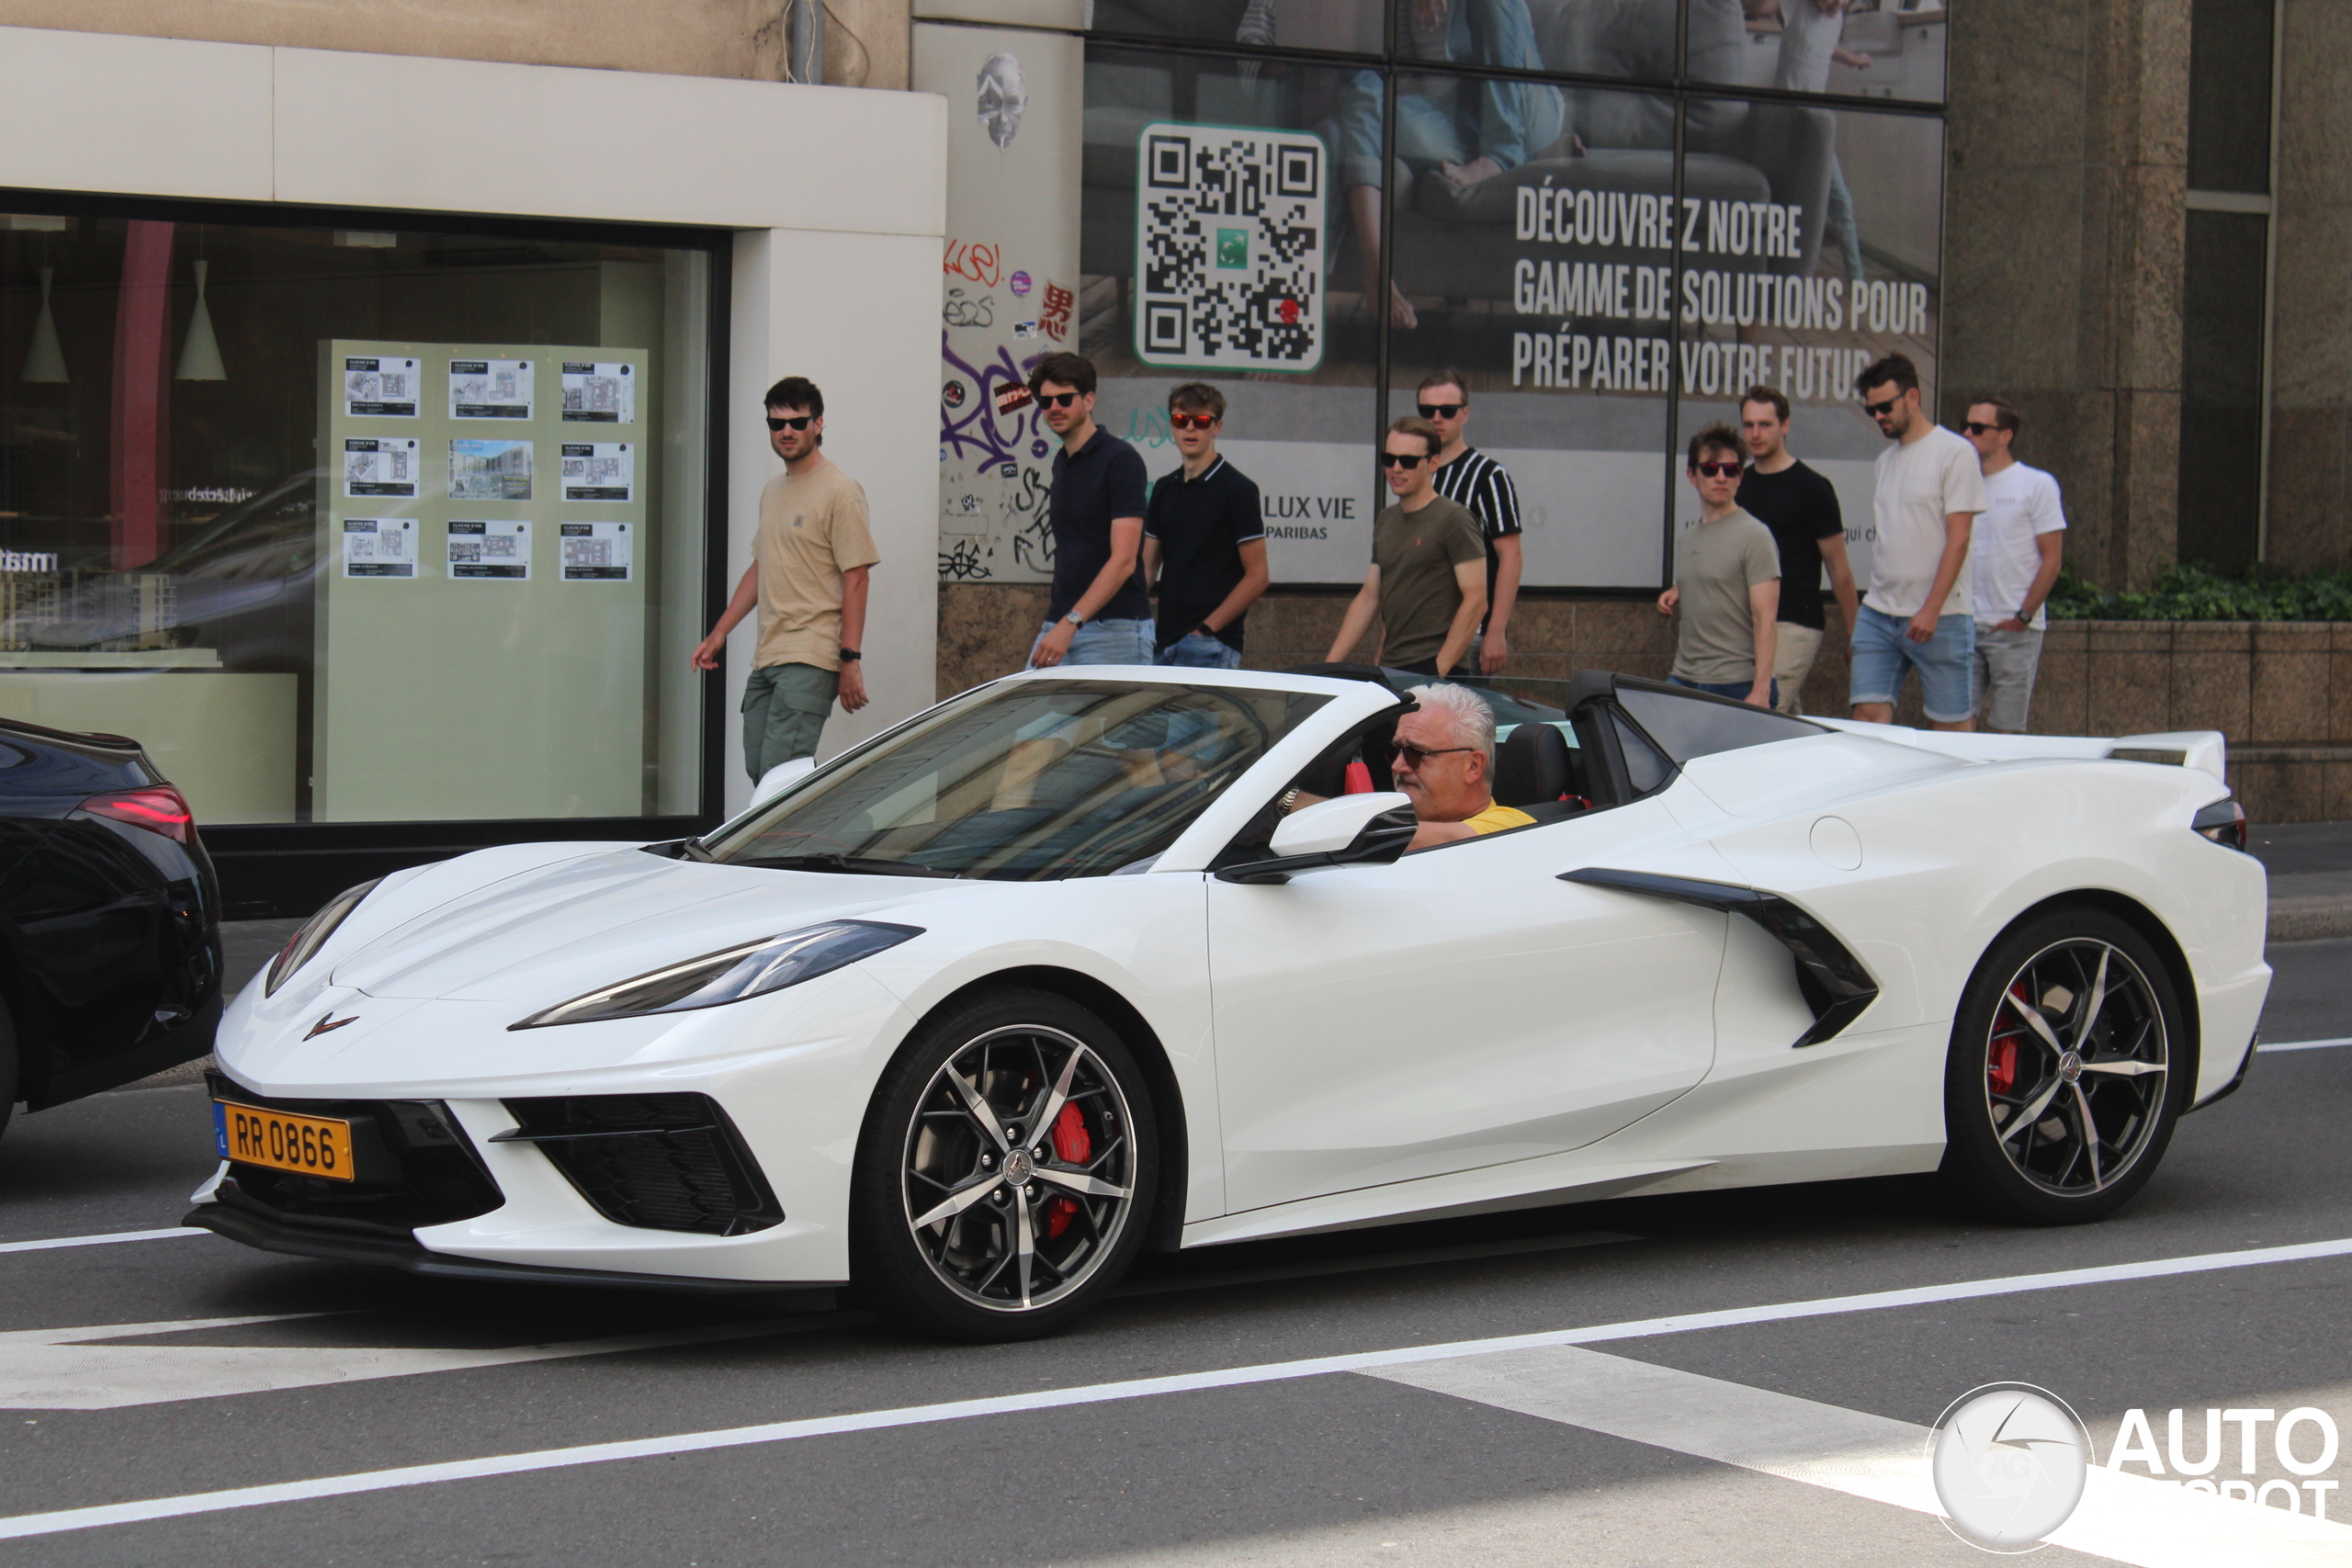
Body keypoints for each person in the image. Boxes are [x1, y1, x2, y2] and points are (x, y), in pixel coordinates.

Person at [1338, 1, 1566, 329]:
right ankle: (1376, 272)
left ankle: (1501, 155)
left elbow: (1510, 23)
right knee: (1348, 107)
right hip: (1452, 115)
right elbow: (1402, 73)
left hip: (1523, 106)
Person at [693, 375, 876, 780]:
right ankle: (832, 832)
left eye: (797, 421)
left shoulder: (840, 490)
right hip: (768, 654)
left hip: (811, 654)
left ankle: (822, 839)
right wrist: (719, 633)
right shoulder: (773, 491)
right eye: (777, 424)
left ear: (819, 424)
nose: (787, 431)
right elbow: (762, 567)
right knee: (761, 773)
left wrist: (850, 659)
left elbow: (857, 577)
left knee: (778, 780)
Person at [1849, 353, 1985, 731]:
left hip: (1940, 615)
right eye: (1871, 409)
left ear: (1912, 397)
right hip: (1878, 610)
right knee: (1866, 720)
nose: (1878, 416)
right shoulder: (1886, 460)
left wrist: (1931, 608)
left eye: (1884, 406)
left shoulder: (1955, 453)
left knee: (1951, 729)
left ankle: (1956, 794)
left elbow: (1959, 539)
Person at [1325, 417, 1487, 676]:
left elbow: (1477, 600)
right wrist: (1328, 666)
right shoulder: (1387, 519)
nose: (1396, 468)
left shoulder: (1454, 518)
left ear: (1433, 462)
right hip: (1393, 664)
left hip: (1436, 666)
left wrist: (1441, 667)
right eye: (1389, 459)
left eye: (1408, 461)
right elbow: (1370, 596)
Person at [1736, 384, 1859, 714]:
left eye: (1765, 424)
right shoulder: (1738, 484)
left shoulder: (1813, 488)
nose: (1756, 433)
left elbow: (1838, 568)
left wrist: (1855, 634)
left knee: (1762, 714)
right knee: (1782, 721)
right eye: (1749, 425)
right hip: (1750, 622)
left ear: (1785, 426)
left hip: (1795, 620)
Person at [1026, 353, 1152, 668]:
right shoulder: (1062, 462)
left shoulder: (1120, 459)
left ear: (1089, 400)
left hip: (1114, 629)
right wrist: (1063, 622)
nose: (1054, 408)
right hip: (1062, 621)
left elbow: (1123, 560)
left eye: (1065, 399)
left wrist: (1071, 623)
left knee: (1121, 721)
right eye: (1046, 401)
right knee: (1032, 716)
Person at [1141, 382, 1269, 671]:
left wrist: (1207, 630)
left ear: (1217, 427)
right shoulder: (1164, 488)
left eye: (1200, 421)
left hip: (1211, 646)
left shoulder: (1237, 489)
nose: (1190, 429)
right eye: (1180, 420)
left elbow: (1258, 575)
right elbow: (1147, 568)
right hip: (1162, 643)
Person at [1963, 395, 2067, 734]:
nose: (1967, 433)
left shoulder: (2036, 484)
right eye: (1965, 425)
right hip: (1965, 624)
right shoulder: (1962, 483)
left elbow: (2051, 559)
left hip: (2013, 626)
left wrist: (2023, 617)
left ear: (2005, 435)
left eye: (1978, 428)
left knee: (2007, 730)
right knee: (1955, 724)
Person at [1658, 423, 1781, 706]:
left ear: (1740, 476)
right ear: (1692, 475)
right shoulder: (1687, 539)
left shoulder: (1755, 535)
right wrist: (1677, 590)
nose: (1721, 477)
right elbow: (1713, 577)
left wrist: (1761, 691)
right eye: (1711, 469)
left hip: (1735, 682)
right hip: (1685, 677)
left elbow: (1766, 619)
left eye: (1731, 469)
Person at [1418, 368, 1523, 674]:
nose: (1436, 418)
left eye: (1447, 411)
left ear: (1464, 414)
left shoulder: (1488, 476)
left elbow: (1511, 557)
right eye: (1427, 411)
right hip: (1419, 636)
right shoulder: (1418, 473)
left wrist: (1496, 630)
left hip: (1469, 635)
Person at [1392, 682, 1533, 848]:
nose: (1397, 766)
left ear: (1473, 766)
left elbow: (1453, 841)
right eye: (1394, 750)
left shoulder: (1512, 827)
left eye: (1416, 753)